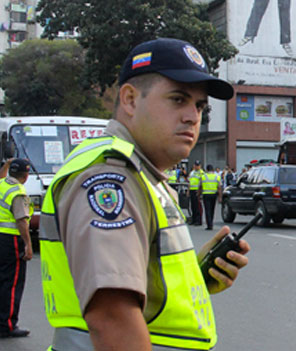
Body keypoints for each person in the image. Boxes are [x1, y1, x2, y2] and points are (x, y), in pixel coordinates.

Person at [39, 37, 249, 350]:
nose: (193, 116)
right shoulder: (110, 178)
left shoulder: (142, 174)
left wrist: (196, 275)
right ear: (130, 100)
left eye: (199, 105)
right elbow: (112, 317)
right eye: (178, 99)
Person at [0, 159, 33, 338]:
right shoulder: (18, 192)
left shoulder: (2, 184)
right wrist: (28, 244)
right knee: (12, 283)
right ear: (26, 176)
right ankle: (7, 325)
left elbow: (2, 176)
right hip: (11, 240)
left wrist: (6, 165)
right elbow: (21, 221)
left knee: (1, 280)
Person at [200, 164, 221, 230]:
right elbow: (219, 187)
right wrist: (220, 197)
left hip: (206, 194)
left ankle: (209, 224)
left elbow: (200, 186)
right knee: (212, 209)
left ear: (206, 170)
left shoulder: (203, 176)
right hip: (214, 195)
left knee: (207, 210)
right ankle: (211, 222)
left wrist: (198, 194)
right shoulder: (217, 176)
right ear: (213, 169)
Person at [189, 160, 204, 225]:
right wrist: (188, 191)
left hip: (197, 191)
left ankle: (198, 220)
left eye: (198, 165)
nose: (196, 167)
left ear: (200, 166)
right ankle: (194, 219)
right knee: (193, 206)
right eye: (195, 165)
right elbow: (189, 182)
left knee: (198, 207)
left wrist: (200, 192)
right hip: (192, 190)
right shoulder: (192, 172)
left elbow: (202, 183)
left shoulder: (201, 173)